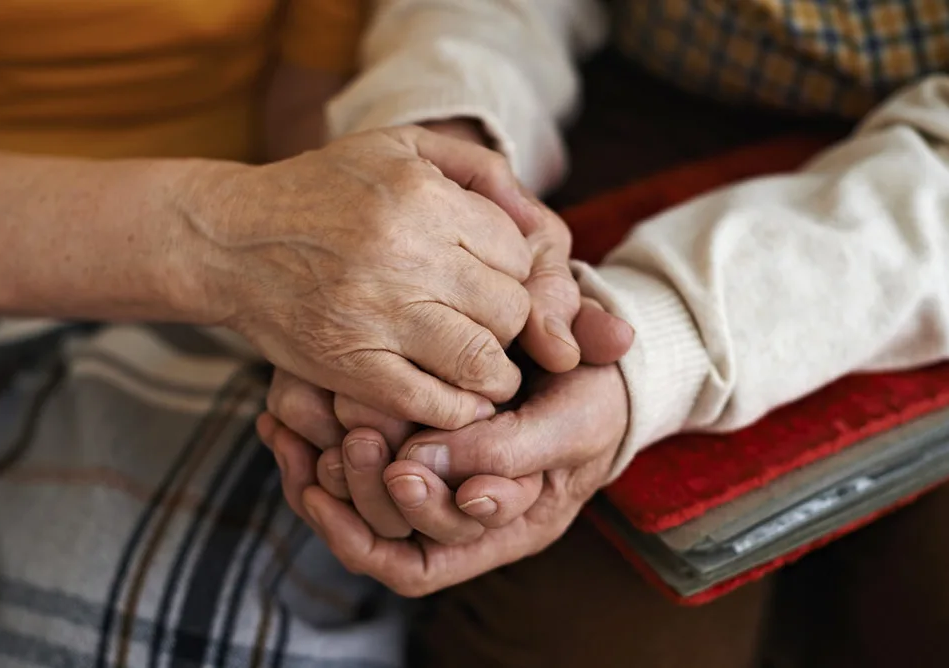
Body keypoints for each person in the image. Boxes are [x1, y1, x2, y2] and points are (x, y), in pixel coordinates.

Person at [260, 1, 949, 666]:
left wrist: (665, 341)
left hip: (926, 216)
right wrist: (439, 165)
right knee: (594, 644)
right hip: (619, 98)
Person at [0, 1, 633, 666]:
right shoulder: (235, 240)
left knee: (143, 634)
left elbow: (305, 102)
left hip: (213, 280)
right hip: (169, 244)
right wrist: (226, 239)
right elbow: (251, 240)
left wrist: (395, 282)